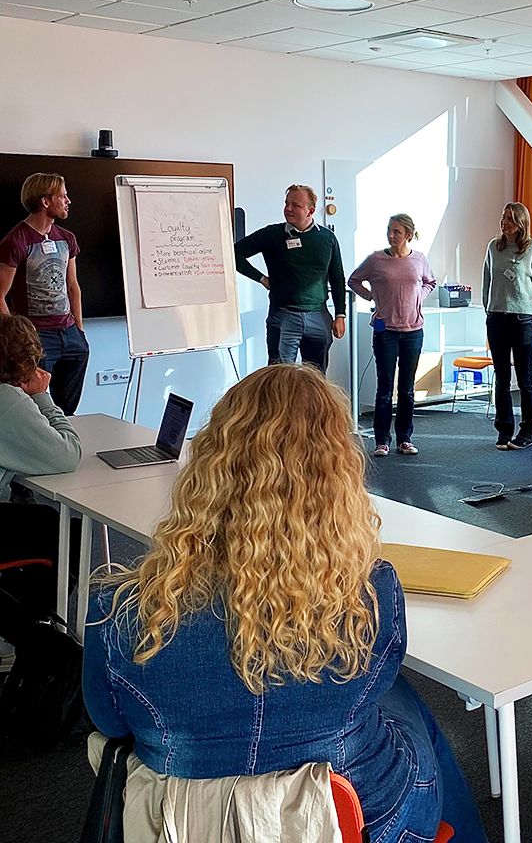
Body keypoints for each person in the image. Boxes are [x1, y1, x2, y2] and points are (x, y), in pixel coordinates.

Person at [82, 365, 488, 843]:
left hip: (178, 824)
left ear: (210, 462)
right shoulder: (370, 590)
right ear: (336, 473)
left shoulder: (120, 609)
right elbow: (378, 677)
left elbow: (111, 722)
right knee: (406, 704)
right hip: (360, 818)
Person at [0, 314, 81, 619]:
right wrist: (42, 397)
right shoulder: (8, 399)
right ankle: (33, 625)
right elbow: (68, 454)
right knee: (64, 531)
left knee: (33, 513)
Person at [0, 172, 89, 414]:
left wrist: (79, 331)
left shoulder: (67, 238)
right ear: (45, 202)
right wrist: (16, 339)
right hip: (36, 336)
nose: (68, 201)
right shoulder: (16, 241)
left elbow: (72, 286)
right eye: (63, 196)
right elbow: (0, 295)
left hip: (70, 335)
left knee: (67, 411)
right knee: (34, 408)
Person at [348, 214, 436, 457]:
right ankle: (382, 440)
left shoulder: (419, 259)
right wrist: (371, 296)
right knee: (385, 387)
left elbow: (430, 282)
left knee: (406, 388)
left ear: (408, 234)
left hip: (413, 330)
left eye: (396, 231)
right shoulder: (376, 260)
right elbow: (354, 280)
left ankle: (405, 438)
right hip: (384, 329)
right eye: (389, 230)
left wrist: (419, 297)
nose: (391, 235)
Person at [234, 184, 346, 374]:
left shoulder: (327, 238)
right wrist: (261, 278)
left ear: (310, 211)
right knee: (279, 377)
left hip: (318, 315)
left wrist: (340, 315)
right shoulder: (272, 234)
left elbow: (337, 278)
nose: (288, 209)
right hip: (284, 316)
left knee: (316, 379)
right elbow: (234, 254)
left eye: (296, 205)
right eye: (287, 204)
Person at [481, 202, 532, 451]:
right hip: (497, 318)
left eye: (509, 219)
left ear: (521, 223)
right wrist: (489, 307)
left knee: (525, 378)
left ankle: (527, 431)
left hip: (524, 320)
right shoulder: (494, 247)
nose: (504, 223)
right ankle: (504, 430)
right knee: (501, 378)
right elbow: (487, 280)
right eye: (503, 218)